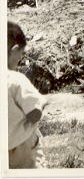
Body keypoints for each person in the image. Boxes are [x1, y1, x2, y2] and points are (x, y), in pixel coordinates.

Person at [8, 21, 48, 169]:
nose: (20, 60)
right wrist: (42, 104)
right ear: (15, 50)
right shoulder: (16, 80)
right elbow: (34, 114)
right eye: (21, 55)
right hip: (23, 148)